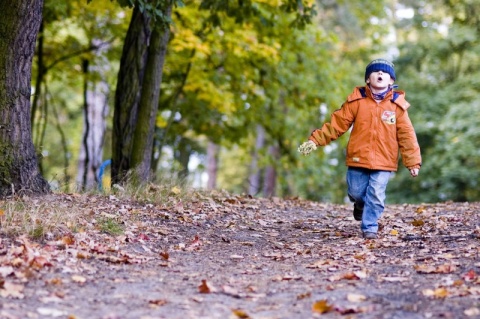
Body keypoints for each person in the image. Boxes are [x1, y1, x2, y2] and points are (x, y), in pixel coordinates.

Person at [298, 59, 421, 239]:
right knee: (356, 191)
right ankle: (360, 205)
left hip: (384, 160)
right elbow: (337, 124)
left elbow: (407, 136)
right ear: (368, 80)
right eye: (375, 72)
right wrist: (315, 141)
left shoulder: (397, 107)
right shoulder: (357, 101)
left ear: (391, 81)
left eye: (384, 73)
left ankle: (370, 227)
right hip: (358, 157)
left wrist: (413, 162)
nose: (380, 74)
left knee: (376, 193)